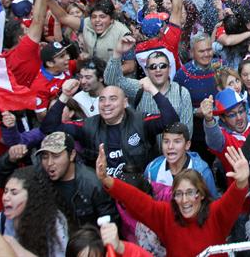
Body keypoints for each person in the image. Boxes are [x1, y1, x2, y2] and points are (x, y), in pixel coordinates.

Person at [97, 144, 250, 257]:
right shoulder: (166, 215)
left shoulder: (216, 213)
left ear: (202, 194)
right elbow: (137, 199)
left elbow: (233, 200)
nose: (184, 200)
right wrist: (106, 179)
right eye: (178, 194)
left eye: (190, 192)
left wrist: (242, 181)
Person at [41, 77, 179, 175]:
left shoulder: (140, 121)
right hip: (105, 193)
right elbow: (49, 128)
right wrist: (64, 96)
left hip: (140, 188)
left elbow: (171, 120)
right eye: (102, 99)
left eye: (113, 99)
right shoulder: (87, 126)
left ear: (125, 103)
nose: (106, 104)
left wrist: (152, 90)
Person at [106, 36, 194, 134]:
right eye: (153, 67)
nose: (158, 70)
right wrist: (117, 53)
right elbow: (112, 80)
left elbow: (187, 132)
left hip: (174, 149)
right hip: (145, 149)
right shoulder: (138, 87)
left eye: (162, 66)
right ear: (147, 71)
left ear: (169, 69)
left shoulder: (182, 93)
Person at [0, 166, 70, 257]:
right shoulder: (2, 219)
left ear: (31, 197)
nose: (5, 198)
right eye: (5, 191)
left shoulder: (53, 222)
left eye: (14, 193)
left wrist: (18, 249)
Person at [144, 122, 219, 201]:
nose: (170, 146)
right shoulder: (151, 169)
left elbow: (212, 202)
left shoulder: (201, 171)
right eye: (166, 141)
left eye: (177, 141)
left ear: (187, 145)